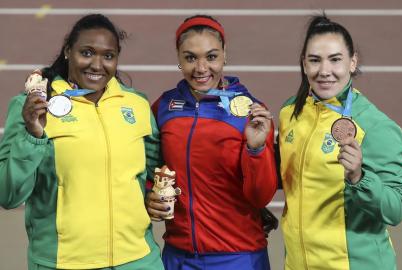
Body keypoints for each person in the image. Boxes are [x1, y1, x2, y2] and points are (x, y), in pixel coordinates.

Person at [0, 14, 164, 270]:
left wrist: (156, 195)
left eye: (108, 56)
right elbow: (8, 194)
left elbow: (156, 169)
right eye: (86, 53)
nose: (97, 65)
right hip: (64, 262)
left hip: (139, 259)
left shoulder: (136, 104)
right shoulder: (31, 107)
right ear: (68, 51)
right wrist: (32, 135)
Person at [145, 15, 278, 270]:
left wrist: (256, 148)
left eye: (211, 56)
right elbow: (150, 165)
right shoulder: (164, 107)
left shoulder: (250, 113)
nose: (201, 68)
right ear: (178, 58)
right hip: (179, 255)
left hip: (239, 256)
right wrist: (149, 193)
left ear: (225, 55)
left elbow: (261, 196)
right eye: (190, 57)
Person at [278, 14, 402, 270]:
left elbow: (396, 209)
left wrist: (359, 177)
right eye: (315, 60)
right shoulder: (291, 112)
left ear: (352, 62)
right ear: (304, 64)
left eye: (335, 60)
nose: (324, 71)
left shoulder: (375, 126)